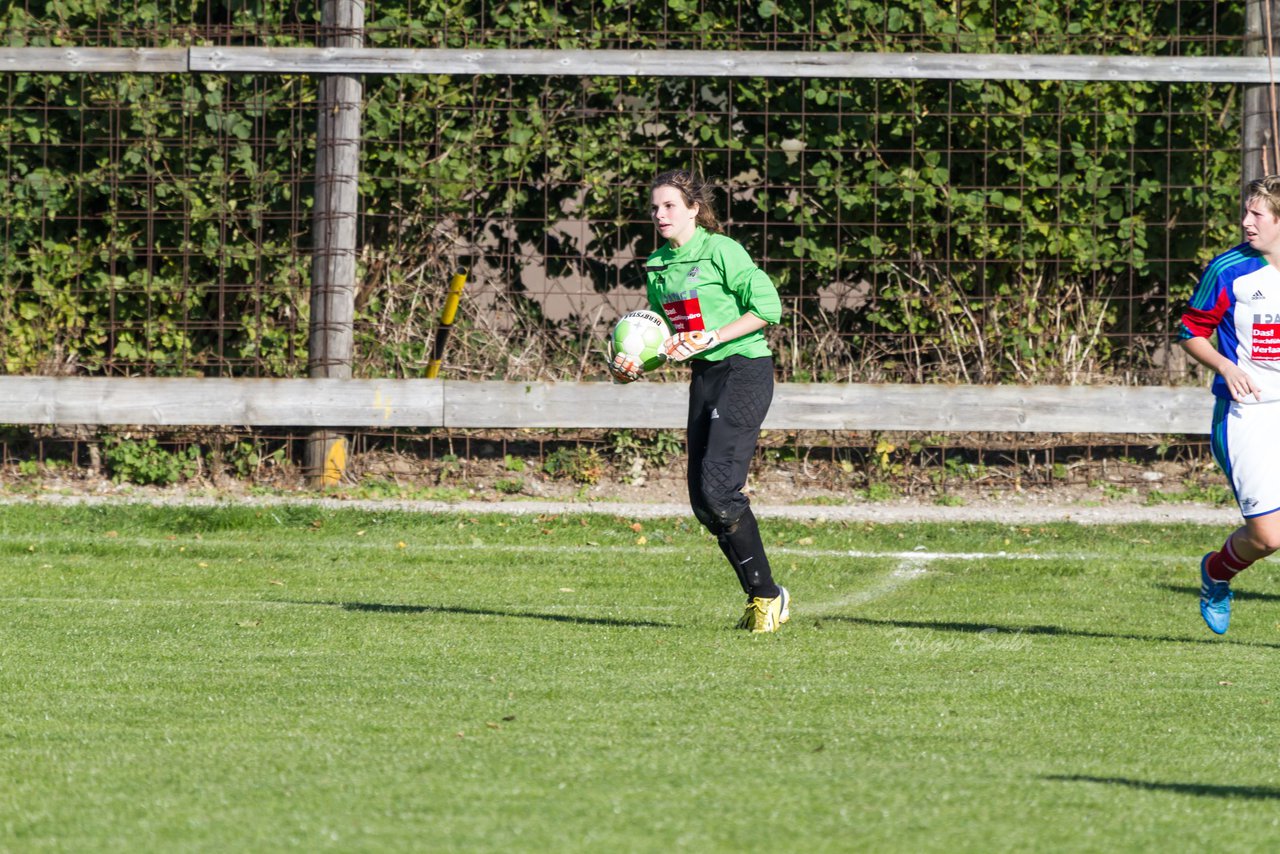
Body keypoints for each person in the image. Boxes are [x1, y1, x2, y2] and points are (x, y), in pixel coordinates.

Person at [609, 169, 788, 633]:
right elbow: (663, 337)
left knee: (719, 489)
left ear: (693, 208)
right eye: (654, 207)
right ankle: (765, 593)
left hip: (745, 370)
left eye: (669, 205)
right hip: (705, 378)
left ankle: (766, 600)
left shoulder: (721, 250)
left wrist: (713, 335)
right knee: (704, 503)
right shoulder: (657, 265)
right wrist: (630, 366)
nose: (659, 214)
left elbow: (768, 308)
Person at [1179, 174, 1280, 634]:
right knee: (1267, 538)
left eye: (1256, 214)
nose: (1245, 222)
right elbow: (1191, 331)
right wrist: (1225, 366)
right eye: (1246, 211)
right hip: (1250, 414)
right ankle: (1217, 573)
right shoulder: (1229, 269)